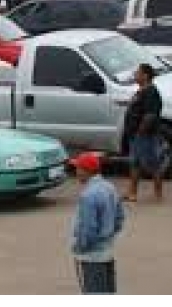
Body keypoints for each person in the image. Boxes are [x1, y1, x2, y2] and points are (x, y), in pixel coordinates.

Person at [69, 152, 125, 294]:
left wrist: (79, 247)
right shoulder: (110, 187)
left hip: (92, 256)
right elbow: (120, 218)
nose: (76, 172)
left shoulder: (88, 195)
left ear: (85, 171)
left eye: (77, 168)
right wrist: (109, 236)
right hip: (108, 252)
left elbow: (89, 229)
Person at [124, 63, 166, 202]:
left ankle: (158, 194)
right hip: (137, 134)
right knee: (135, 163)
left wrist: (140, 132)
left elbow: (150, 115)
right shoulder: (142, 90)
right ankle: (132, 193)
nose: (135, 75)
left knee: (153, 163)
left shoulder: (151, 92)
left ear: (145, 76)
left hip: (146, 135)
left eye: (137, 73)